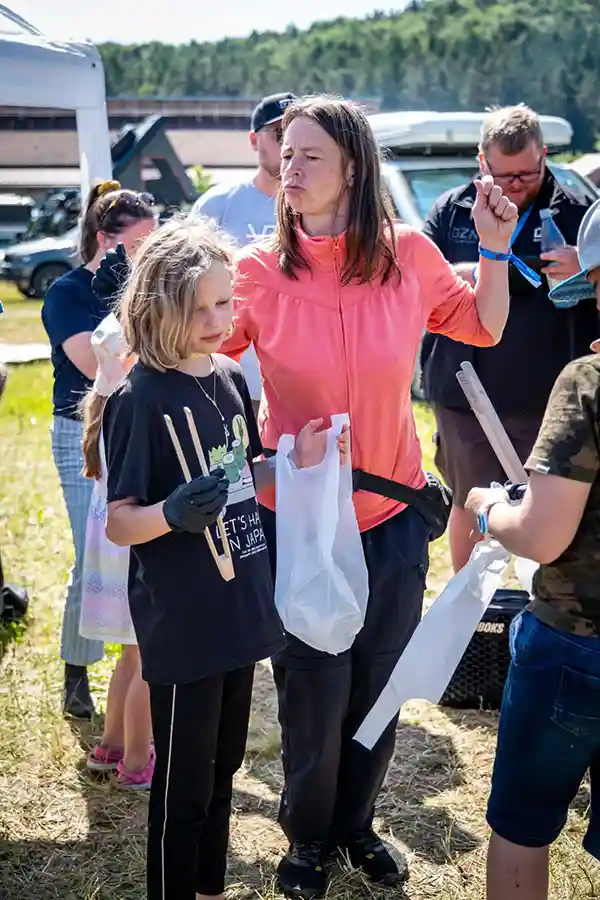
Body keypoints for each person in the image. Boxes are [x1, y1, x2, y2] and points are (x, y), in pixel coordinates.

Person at [222, 94, 519, 898]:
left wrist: (495, 250)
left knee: (378, 681)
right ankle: (307, 838)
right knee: (311, 686)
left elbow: (484, 327)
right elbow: (197, 349)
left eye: (310, 156)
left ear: (353, 166)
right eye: (286, 155)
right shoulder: (254, 271)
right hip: (300, 520)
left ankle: (356, 825)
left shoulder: (410, 255)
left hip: (391, 515)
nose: (291, 168)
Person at [101, 217, 348, 900]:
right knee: (182, 787)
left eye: (224, 303)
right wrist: (171, 513)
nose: (217, 319)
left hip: (242, 607)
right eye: (200, 306)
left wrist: (291, 464)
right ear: (159, 305)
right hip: (185, 622)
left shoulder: (232, 377)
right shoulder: (140, 398)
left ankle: (210, 890)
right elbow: (120, 523)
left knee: (223, 771)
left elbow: (244, 478)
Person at [464, 197, 600, 900]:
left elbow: (546, 534)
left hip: (576, 645)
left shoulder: (587, 384)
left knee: (522, 825)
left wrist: (489, 513)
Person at [421, 104, 597, 573]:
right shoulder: (452, 210)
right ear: (483, 162)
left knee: (554, 509)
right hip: (467, 389)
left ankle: (543, 603)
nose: (517, 185)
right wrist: (476, 273)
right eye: (505, 176)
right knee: (470, 501)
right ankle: (470, 622)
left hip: (548, 393)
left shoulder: (580, 210)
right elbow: (420, 281)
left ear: (545, 154)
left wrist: (587, 264)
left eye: (528, 173)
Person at [41, 181, 155, 718]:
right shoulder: (67, 292)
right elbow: (96, 368)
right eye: (138, 245)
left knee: (135, 549)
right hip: (80, 434)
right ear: (106, 242)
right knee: (87, 553)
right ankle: (75, 670)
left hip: (132, 430)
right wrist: (122, 303)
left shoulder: (141, 289)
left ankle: (136, 664)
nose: (147, 256)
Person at [80, 313, 154, 789]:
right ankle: (135, 761)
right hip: (133, 550)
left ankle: (110, 744)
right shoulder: (132, 413)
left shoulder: (105, 408)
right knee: (148, 658)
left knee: (130, 655)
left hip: (112, 546)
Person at [190, 91, 297, 411]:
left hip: (304, 382)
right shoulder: (218, 205)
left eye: (296, 132)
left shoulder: (325, 210)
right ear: (253, 140)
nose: (289, 145)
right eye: (279, 134)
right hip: (232, 379)